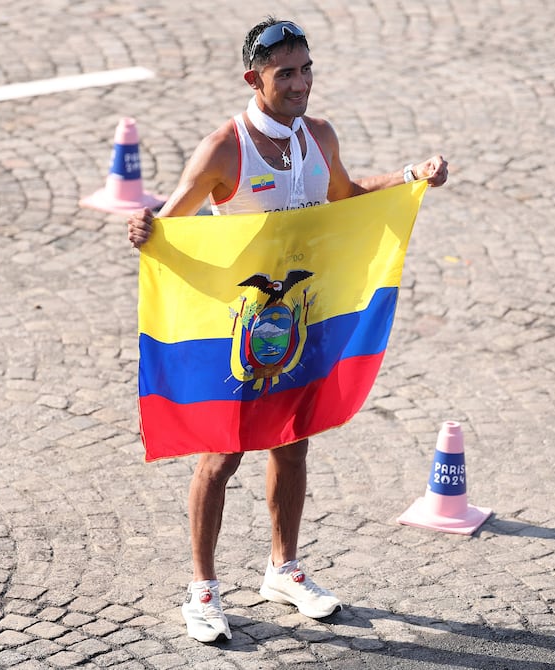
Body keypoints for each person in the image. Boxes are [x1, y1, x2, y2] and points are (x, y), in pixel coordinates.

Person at [127, 16, 449, 643]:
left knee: (293, 442)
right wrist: (145, 230)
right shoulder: (227, 147)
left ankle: (284, 568)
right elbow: (172, 223)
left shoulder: (318, 135)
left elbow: (346, 195)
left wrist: (409, 177)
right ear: (255, 78)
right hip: (237, 330)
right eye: (286, 74)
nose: (301, 84)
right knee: (221, 456)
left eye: (306, 70)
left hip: (298, 322)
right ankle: (202, 589)